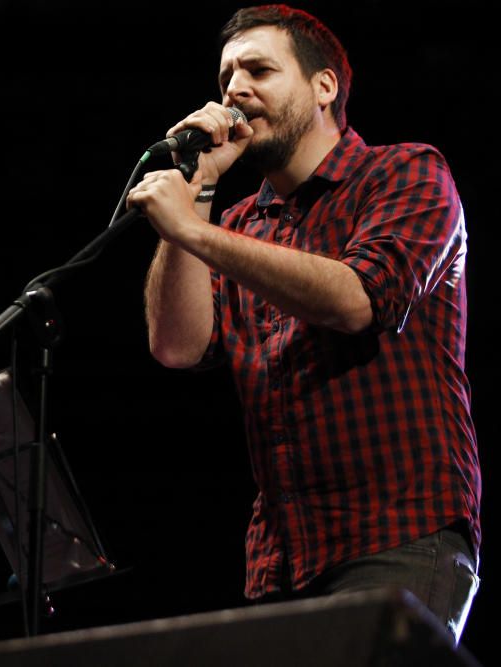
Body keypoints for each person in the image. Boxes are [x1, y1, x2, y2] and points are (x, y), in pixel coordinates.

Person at [128, 4, 480, 643]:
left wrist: (187, 227)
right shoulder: (231, 226)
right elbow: (177, 347)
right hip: (282, 560)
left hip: (399, 531)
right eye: (228, 75)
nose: (235, 90)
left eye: (259, 69)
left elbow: (357, 301)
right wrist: (200, 193)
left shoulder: (404, 172)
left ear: (325, 87)